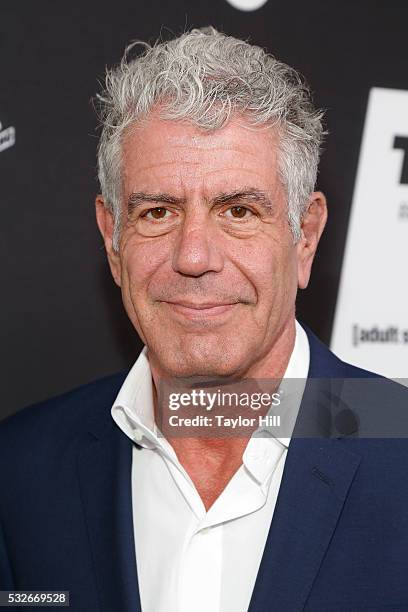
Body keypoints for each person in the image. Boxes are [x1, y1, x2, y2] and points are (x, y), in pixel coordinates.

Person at [1, 27, 408, 612]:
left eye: (239, 211)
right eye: (158, 211)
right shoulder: (19, 473)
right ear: (112, 238)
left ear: (306, 237)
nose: (193, 256)